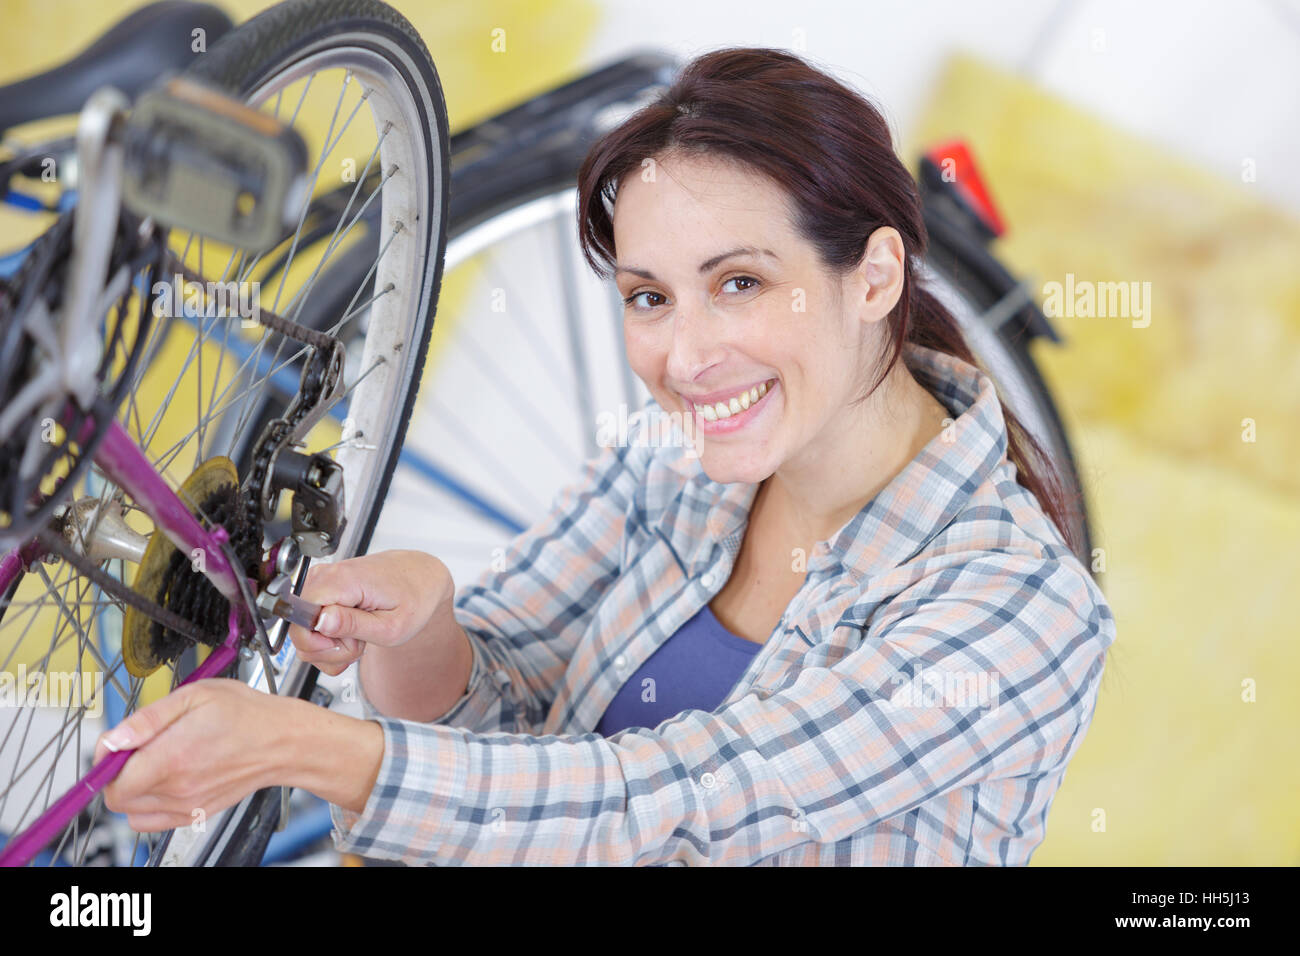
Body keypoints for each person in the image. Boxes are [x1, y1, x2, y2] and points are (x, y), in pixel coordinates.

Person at [95, 46, 1116, 866]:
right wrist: (423, 623)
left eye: (742, 283)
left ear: (874, 274)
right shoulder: (676, 464)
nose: (685, 356)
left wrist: (300, 745)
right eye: (648, 297)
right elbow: (498, 703)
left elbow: (689, 800)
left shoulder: (1019, 605)